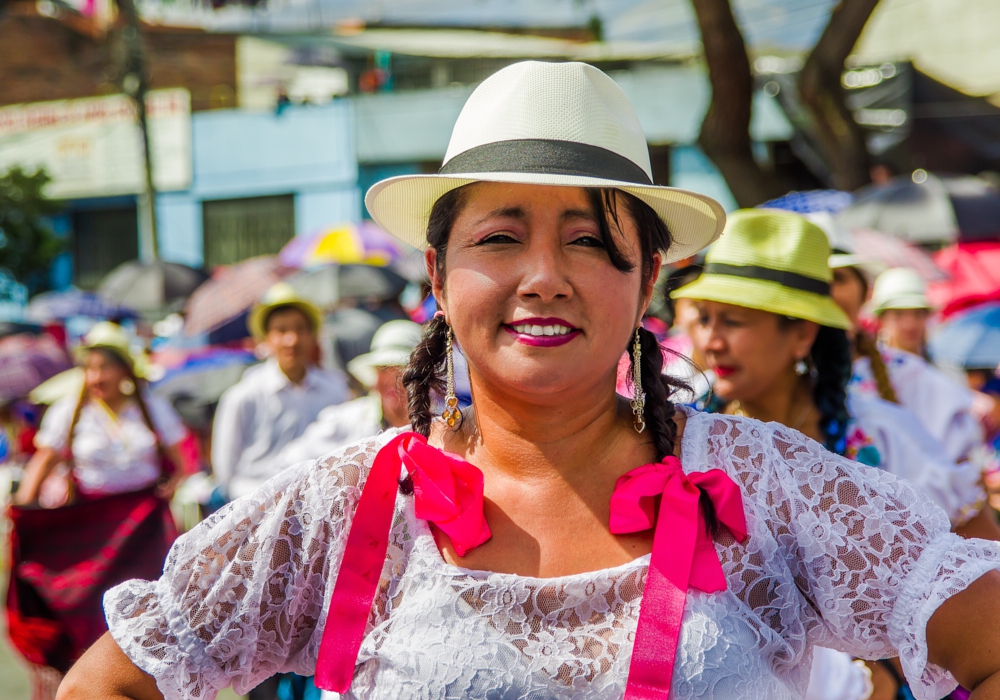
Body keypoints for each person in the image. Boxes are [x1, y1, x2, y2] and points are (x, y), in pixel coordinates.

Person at [60, 61, 1000, 700]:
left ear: (647, 282)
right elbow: (114, 679)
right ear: (437, 277)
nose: (544, 275)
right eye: (500, 237)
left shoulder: (769, 488)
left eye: (591, 241)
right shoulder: (343, 509)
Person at [674, 209, 1000, 699]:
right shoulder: (685, 442)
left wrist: (888, 669)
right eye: (704, 318)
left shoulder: (880, 434)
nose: (712, 341)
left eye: (734, 321)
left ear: (802, 334)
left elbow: (976, 547)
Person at [9, 322, 185, 696]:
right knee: (85, 613)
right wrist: (24, 508)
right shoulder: (70, 410)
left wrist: (177, 486)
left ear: (124, 369)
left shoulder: (151, 408)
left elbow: (183, 457)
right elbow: (44, 460)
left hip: (142, 528)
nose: (96, 376)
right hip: (88, 526)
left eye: (105, 366)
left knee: (148, 613)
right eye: (90, 367)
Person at [210, 283, 349, 501]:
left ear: (313, 336)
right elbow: (225, 469)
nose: (291, 340)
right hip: (259, 505)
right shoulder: (244, 396)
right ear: (266, 338)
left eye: (300, 329)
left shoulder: (335, 389)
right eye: (281, 330)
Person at [274, 319, 422, 465]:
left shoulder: (439, 423)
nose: (392, 379)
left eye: (402, 369)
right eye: (383, 369)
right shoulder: (346, 421)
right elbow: (291, 459)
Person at [870, 268, 932, 357]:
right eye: (898, 314)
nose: (909, 324)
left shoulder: (944, 369)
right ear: (881, 320)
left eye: (917, 314)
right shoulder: (865, 369)